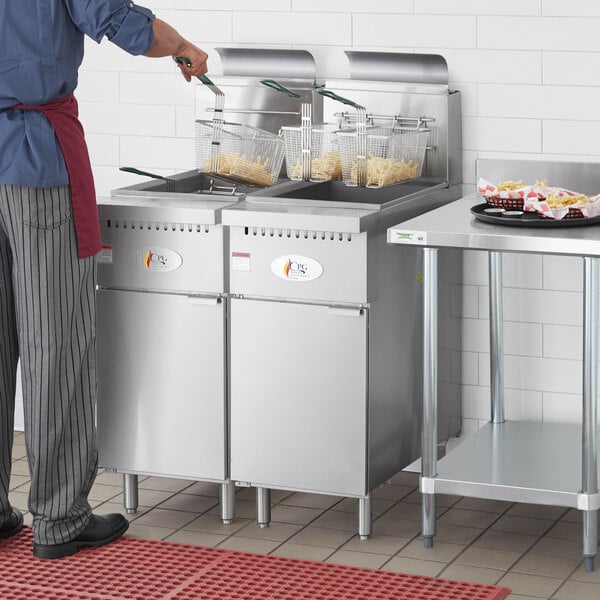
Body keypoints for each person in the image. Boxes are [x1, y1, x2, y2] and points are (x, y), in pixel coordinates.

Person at [0, 0, 208, 559]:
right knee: (55, 343)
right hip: (33, 162)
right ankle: (59, 517)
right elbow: (120, 23)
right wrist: (184, 47)